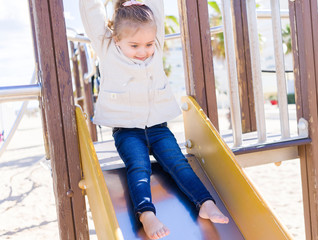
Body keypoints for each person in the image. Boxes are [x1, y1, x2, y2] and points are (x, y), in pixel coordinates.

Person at [79, 0, 229, 239]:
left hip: (158, 128)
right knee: (139, 168)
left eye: (148, 44)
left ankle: (205, 203)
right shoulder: (107, 49)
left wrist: (150, 39)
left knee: (179, 163)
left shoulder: (155, 47)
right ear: (116, 40)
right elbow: (91, 11)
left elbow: (156, 7)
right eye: (134, 45)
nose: (143, 51)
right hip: (127, 131)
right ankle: (146, 213)